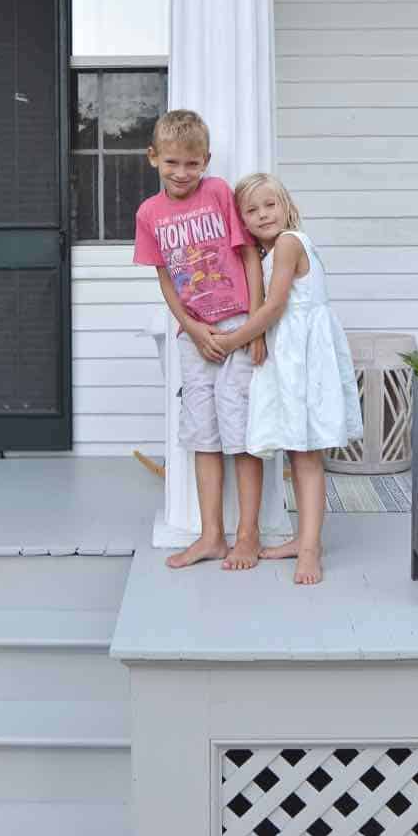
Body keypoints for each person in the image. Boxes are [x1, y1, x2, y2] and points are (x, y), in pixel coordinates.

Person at [133, 110, 268, 571]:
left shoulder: (218, 194)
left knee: (244, 436)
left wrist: (255, 326)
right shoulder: (149, 214)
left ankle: (247, 535)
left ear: (205, 160)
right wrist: (190, 329)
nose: (182, 173)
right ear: (154, 158)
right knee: (204, 437)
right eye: (172, 162)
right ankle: (212, 536)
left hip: (238, 328)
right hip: (195, 336)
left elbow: (248, 254)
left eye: (192, 164)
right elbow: (166, 278)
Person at [212, 173, 361, 585]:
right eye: (252, 210)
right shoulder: (270, 251)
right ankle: (301, 538)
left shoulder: (289, 243)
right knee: (297, 450)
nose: (262, 214)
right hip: (290, 359)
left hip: (303, 361)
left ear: (286, 205)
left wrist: (232, 341)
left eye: (269, 205)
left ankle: (310, 548)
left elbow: (275, 306)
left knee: (307, 455)